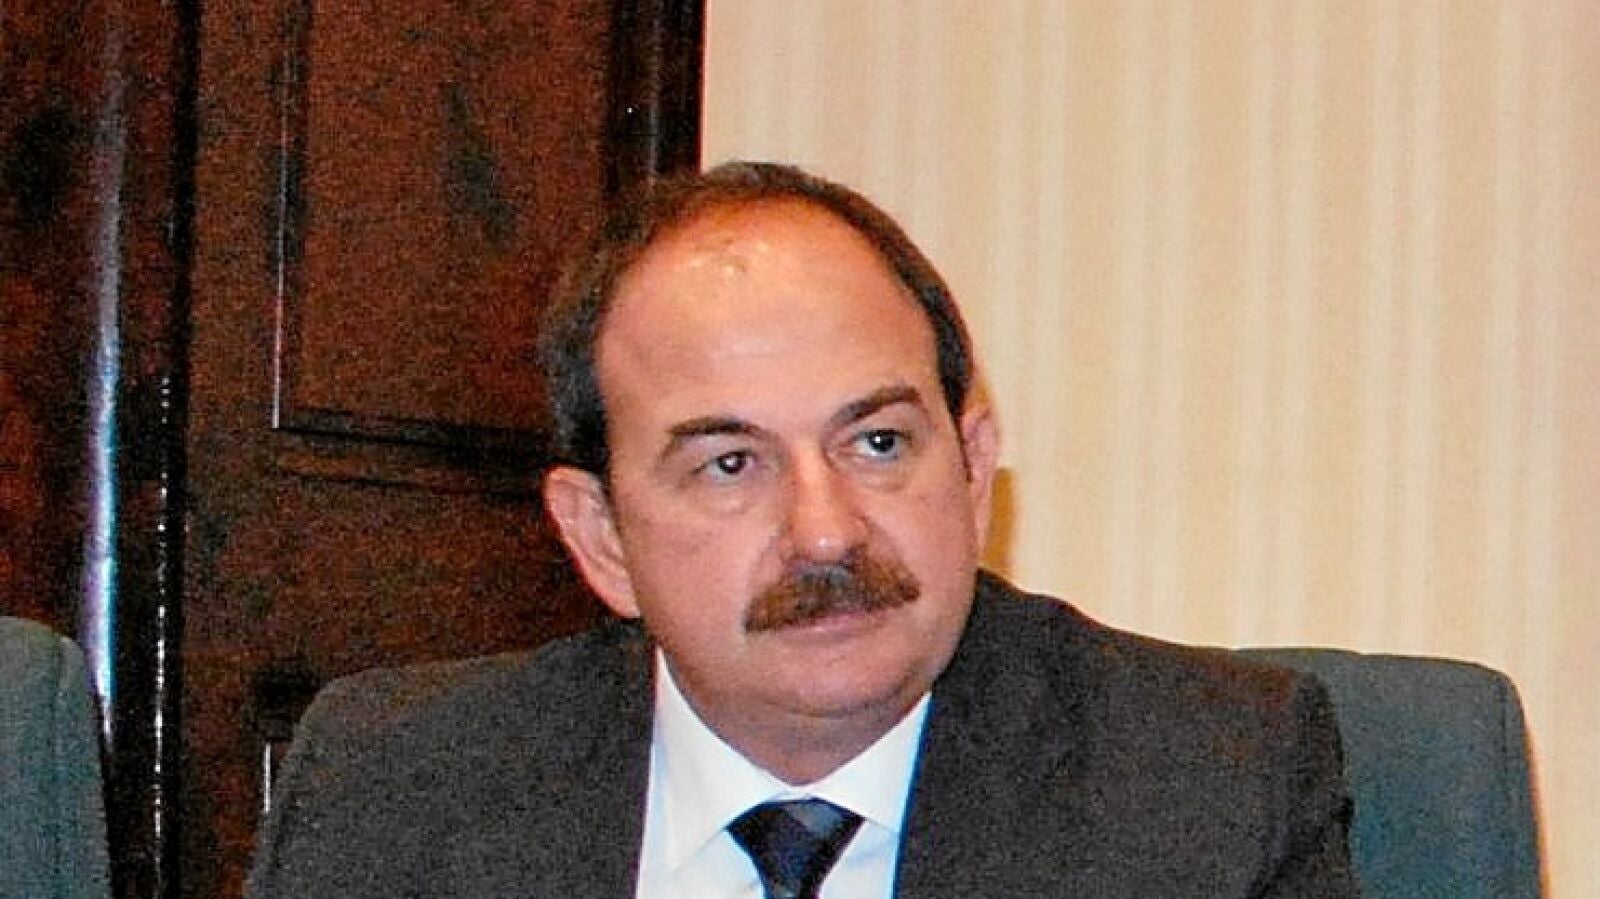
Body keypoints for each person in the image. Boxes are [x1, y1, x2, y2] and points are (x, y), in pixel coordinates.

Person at [245, 162, 1357, 899]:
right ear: (601, 538)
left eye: (876, 443)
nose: (825, 533)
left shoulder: (1202, 783)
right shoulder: (395, 786)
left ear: (973, 470)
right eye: (731, 463)